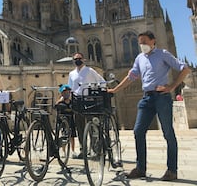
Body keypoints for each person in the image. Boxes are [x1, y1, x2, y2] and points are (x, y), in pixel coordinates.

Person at [108, 31, 190, 181]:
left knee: (168, 133)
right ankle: (140, 168)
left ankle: (172, 170)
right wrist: (115, 90)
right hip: (147, 98)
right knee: (138, 131)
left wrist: (171, 86)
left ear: (153, 41)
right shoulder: (139, 58)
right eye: (140, 42)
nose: (142, 45)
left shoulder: (163, 54)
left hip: (162, 98)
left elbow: (184, 68)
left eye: (144, 41)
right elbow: (131, 76)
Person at [68, 52, 105, 159]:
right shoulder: (71, 74)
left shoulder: (90, 71)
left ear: (83, 59)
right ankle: (82, 150)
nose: (77, 61)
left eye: (79, 58)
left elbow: (101, 81)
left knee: (92, 125)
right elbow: (70, 88)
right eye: (75, 59)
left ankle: (94, 149)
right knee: (80, 127)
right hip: (77, 101)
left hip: (89, 100)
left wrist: (101, 92)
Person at [56, 84, 76, 157]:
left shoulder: (72, 102)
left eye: (67, 92)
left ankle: (73, 151)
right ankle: (63, 151)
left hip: (71, 120)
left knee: (72, 136)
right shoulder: (61, 102)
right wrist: (59, 101)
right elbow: (55, 106)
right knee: (64, 136)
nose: (66, 94)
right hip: (63, 122)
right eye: (64, 93)